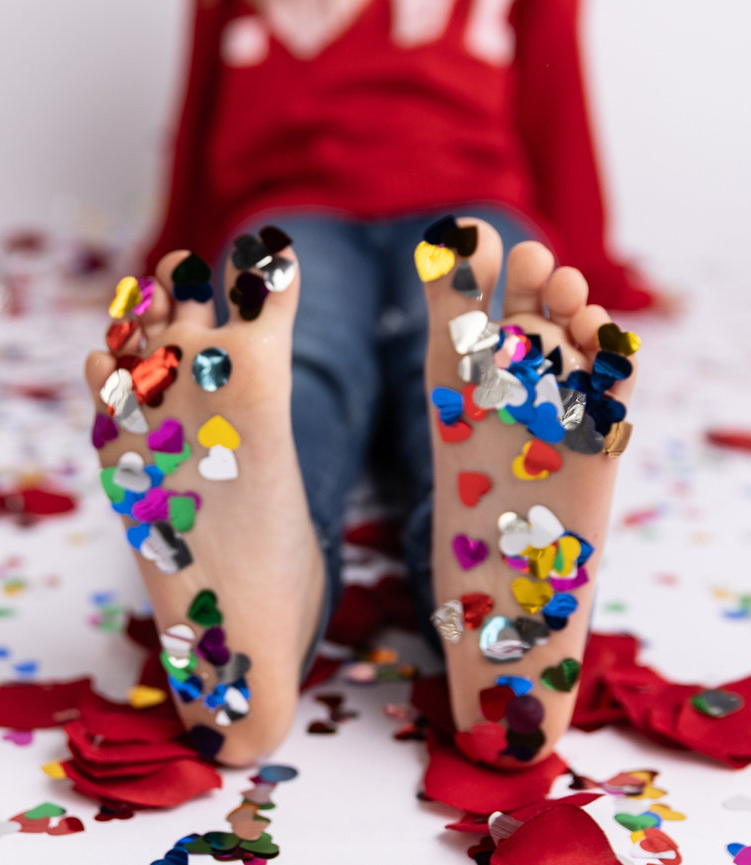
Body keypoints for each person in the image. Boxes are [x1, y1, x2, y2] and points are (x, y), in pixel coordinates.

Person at [83, 0, 644, 767]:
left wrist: (174, 255)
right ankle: (464, 605)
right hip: (383, 210)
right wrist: (171, 249)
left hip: (383, 209)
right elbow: (202, 104)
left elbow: (554, 102)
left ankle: (291, 589)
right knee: (444, 372)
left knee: (306, 367)